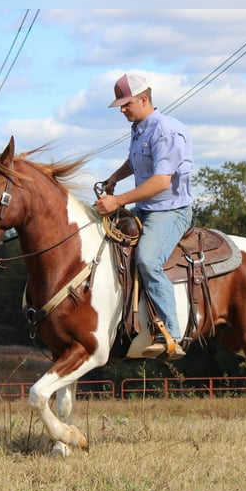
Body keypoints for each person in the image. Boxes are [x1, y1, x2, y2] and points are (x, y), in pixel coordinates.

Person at [95, 73, 194, 358]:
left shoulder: (166, 131)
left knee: (148, 260)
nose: (122, 110)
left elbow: (162, 181)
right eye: (120, 105)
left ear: (144, 99)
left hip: (170, 212)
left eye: (126, 104)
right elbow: (136, 160)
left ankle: (172, 336)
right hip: (146, 208)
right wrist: (116, 176)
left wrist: (118, 200)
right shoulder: (139, 127)